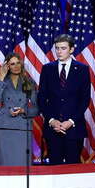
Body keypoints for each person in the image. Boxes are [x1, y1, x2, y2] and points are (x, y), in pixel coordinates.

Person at [37, 34, 91, 164]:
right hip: (53, 129)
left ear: (71, 49)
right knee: (54, 168)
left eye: (63, 48)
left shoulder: (82, 69)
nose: (59, 51)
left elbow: (84, 99)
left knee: (73, 168)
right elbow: (42, 98)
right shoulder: (47, 69)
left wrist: (70, 121)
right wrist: (51, 120)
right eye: (57, 48)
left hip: (74, 128)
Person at [0, 52, 38, 166]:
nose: (16, 66)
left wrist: (23, 111)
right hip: (4, 127)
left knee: (22, 164)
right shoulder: (1, 82)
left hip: (22, 126)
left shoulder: (29, 82)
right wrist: (1, 78)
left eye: (18, 63)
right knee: (4, 164)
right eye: (12, 64)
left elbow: (37, 108)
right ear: (7, 66)